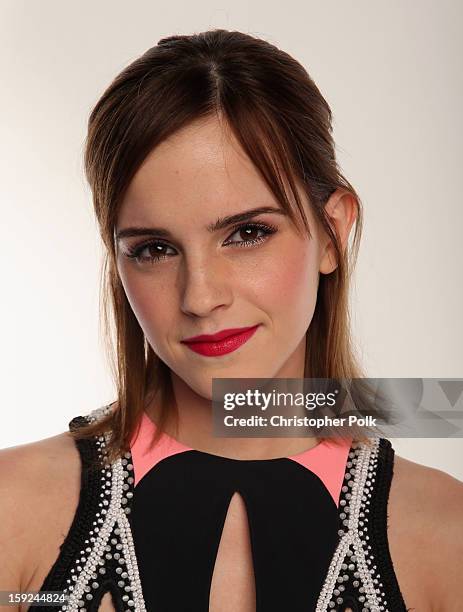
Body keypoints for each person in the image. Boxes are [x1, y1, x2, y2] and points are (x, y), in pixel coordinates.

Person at [1, 29, 462, 612]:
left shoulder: (449, 539)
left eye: (247, 233)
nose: (200, 296)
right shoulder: (11, 512)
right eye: (154, 249)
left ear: (331, 232)